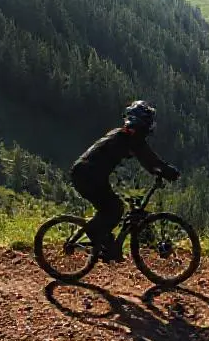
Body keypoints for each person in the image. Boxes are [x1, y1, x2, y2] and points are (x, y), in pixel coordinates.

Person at [71, 100, 180, 261]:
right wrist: (167, 171)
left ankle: (106, 243)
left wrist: (159, 170)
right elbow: (149, 158)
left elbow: (147, 160)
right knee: (114, 208)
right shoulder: (130, 137)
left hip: (89, 174)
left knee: (111, 208)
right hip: (88, 175)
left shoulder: (125, 135)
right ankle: (97, 236)